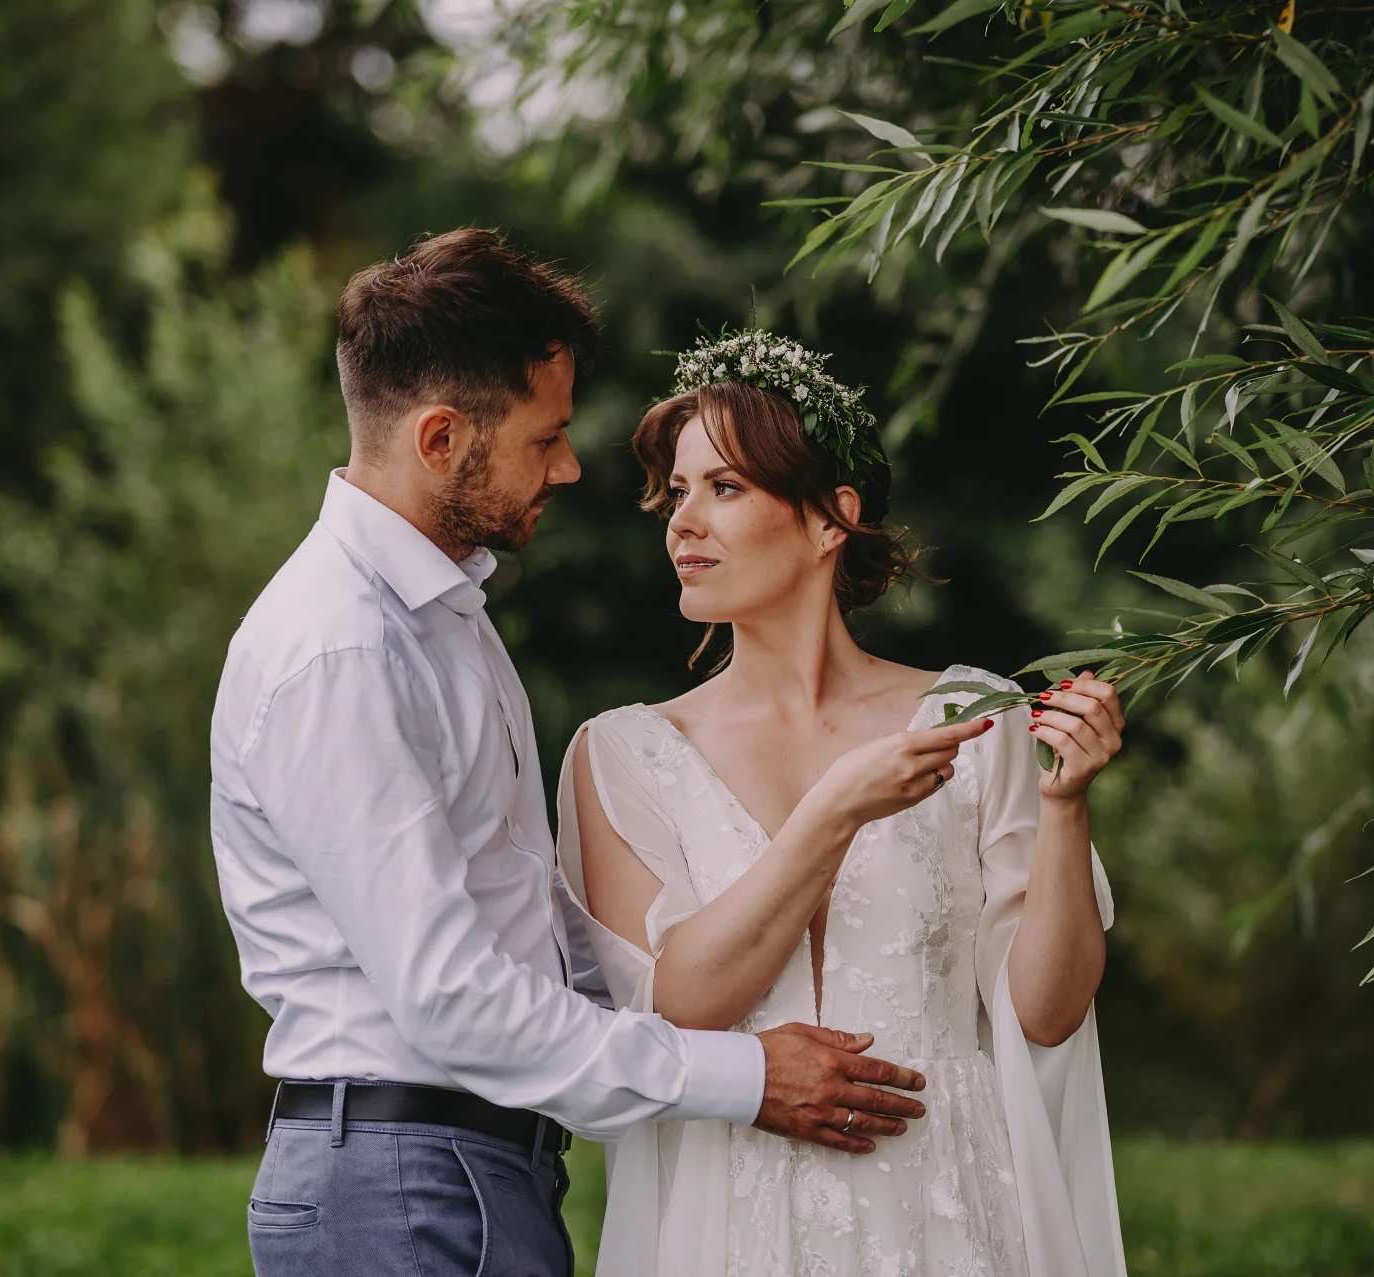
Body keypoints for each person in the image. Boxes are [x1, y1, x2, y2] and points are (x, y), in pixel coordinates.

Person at [209, 233, 932, 1277]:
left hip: (474, 1171)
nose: (572, 464)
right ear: (443, 437)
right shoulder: (342, 649)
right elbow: (450, 993)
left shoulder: (444, 616)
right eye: (546, 437)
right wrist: (740, 1075)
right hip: (404, 1187)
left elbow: (534, 927)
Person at [556, 328, 1129, 1277]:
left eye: (724, 488)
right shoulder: (623, 752)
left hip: (944, 1207)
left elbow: (1047, 1011)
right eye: (678, 492)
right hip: (734, 1219)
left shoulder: (971, 719)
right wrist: (835, 810)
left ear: (831, 518)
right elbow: (679, 1003)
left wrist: (1065, 808)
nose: (681, 522)